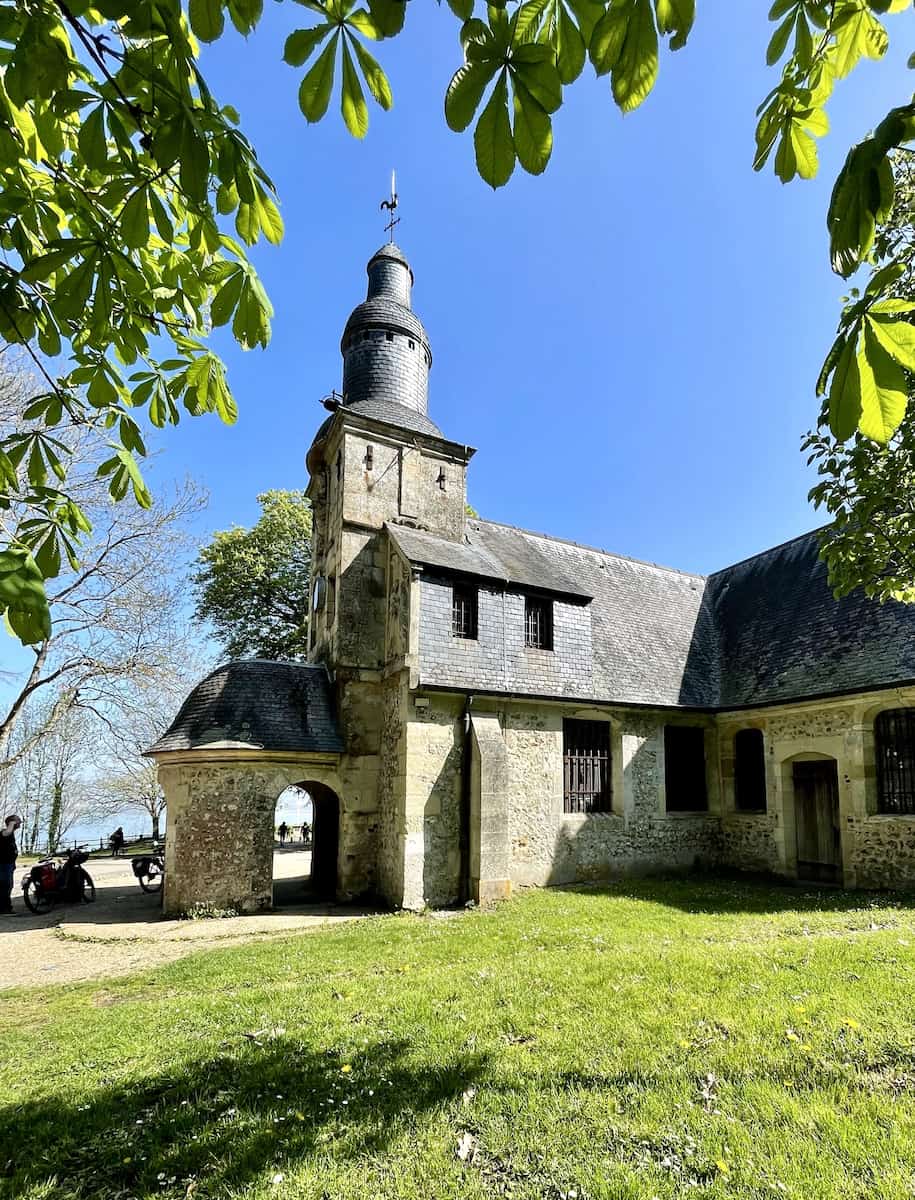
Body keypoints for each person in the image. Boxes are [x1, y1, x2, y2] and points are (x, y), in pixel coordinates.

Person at [0, 814, 21, 916]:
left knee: (8, 886)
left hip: (9, 864)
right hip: (4, 865)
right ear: (12, 822)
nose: (20, 822)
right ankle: (4, 909)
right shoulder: (4, 832)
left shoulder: (11, 834)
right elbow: (6, 833)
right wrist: (12, 823)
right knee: (5, 886)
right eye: (18, 820)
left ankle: (5, 907)